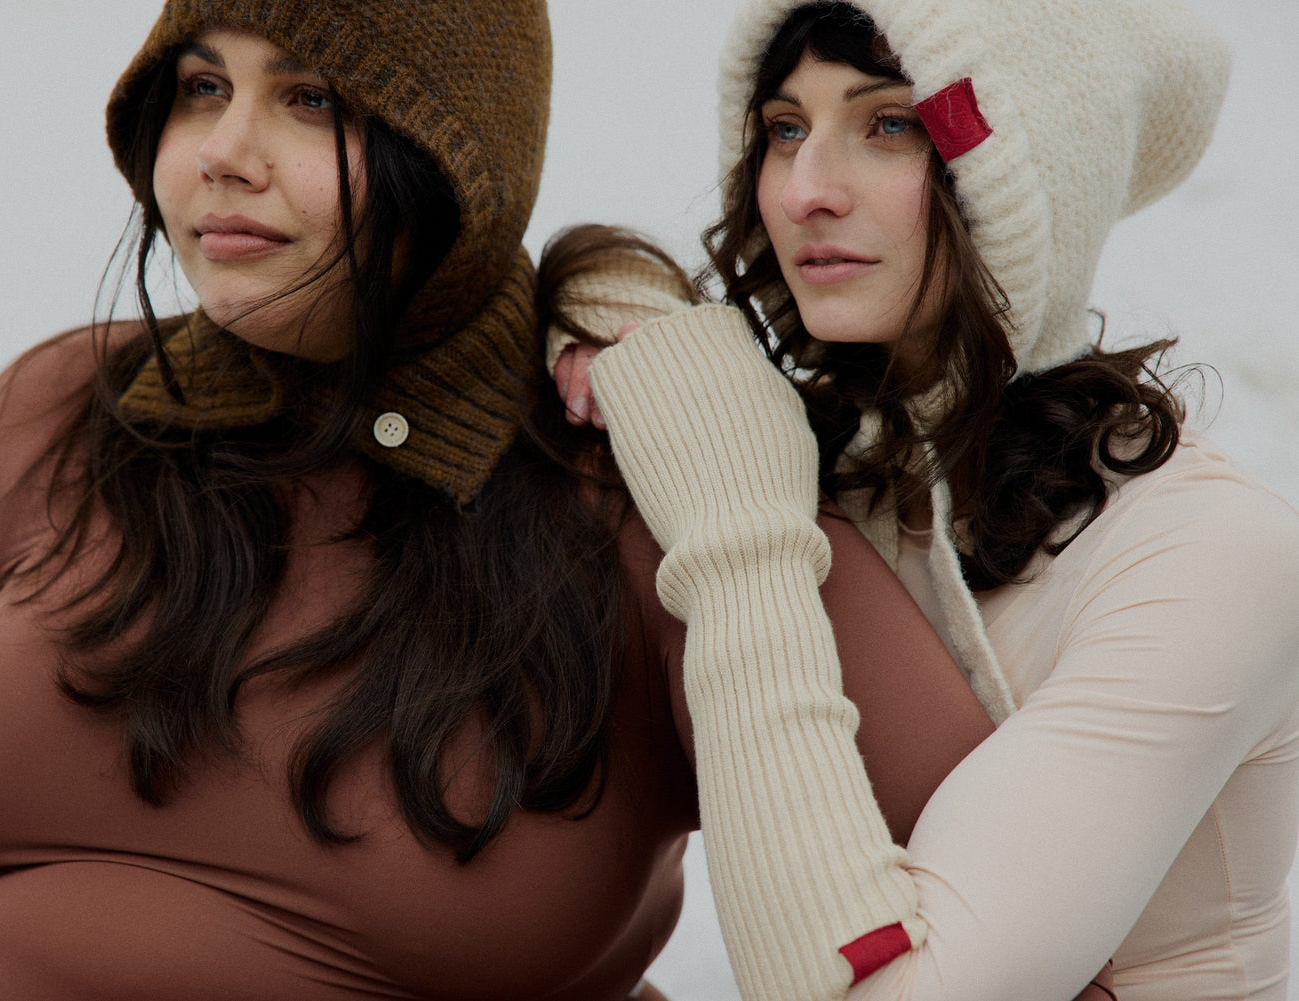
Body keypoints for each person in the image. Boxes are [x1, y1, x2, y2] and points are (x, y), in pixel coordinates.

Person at [0, 1, 1001, 998]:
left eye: (313, 99)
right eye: (203, 87)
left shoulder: (665, 491)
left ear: (457, 154)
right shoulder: (60, 411)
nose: (223, 151)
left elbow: (1015, 929)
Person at [549, 0, 1299, 998]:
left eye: (890, 123)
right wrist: (605, 302)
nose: (805, 191)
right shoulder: (851, 458)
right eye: (784, 128)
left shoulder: (1213, 557)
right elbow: (596, 281)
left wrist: (740, 539)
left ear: (1030, 176)